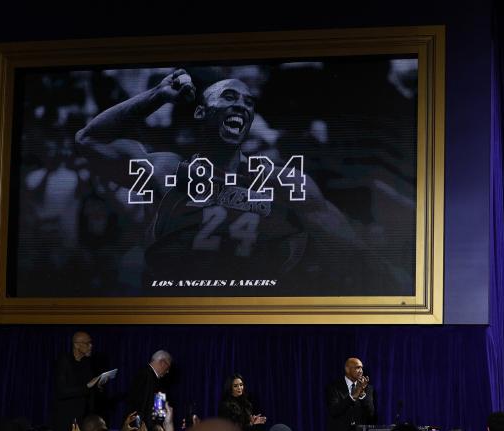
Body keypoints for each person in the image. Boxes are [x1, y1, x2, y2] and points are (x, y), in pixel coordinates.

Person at [75, 69, 394, 296]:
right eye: (229, 97)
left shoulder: (282, 181)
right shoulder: (169, 170)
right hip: (173, 312)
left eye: (248, 102)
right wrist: (158, 96)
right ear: (200, 112)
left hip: (253, 317)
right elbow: (89, 139)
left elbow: (356, 252)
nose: (242, 105)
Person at [53, 331, 107, 431]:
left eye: (91, 343)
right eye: (87, 343)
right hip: (66, 418)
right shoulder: (64, 361)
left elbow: (89, 389)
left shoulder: (87, 363)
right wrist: (88, 386)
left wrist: (98, 385)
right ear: (76, 345)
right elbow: (62, 391)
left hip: (84, 417)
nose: (91, 346)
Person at [326, 357, 376, 431]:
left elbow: (371, 414)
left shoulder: (368, 388)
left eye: (362, 368)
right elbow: (334, 410)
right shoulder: (334, 387)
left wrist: (362, 394)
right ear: (347, 369)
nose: (361, 371)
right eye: (357, 368)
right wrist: (353, 396)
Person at [125, 350, 171, 431]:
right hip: (143, 430)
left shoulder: (149, 376)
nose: (168, 371)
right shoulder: (146, 376)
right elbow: (141, 406)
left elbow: (158, 408)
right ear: (162, 362)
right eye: (168, 367)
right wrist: (143, 429)